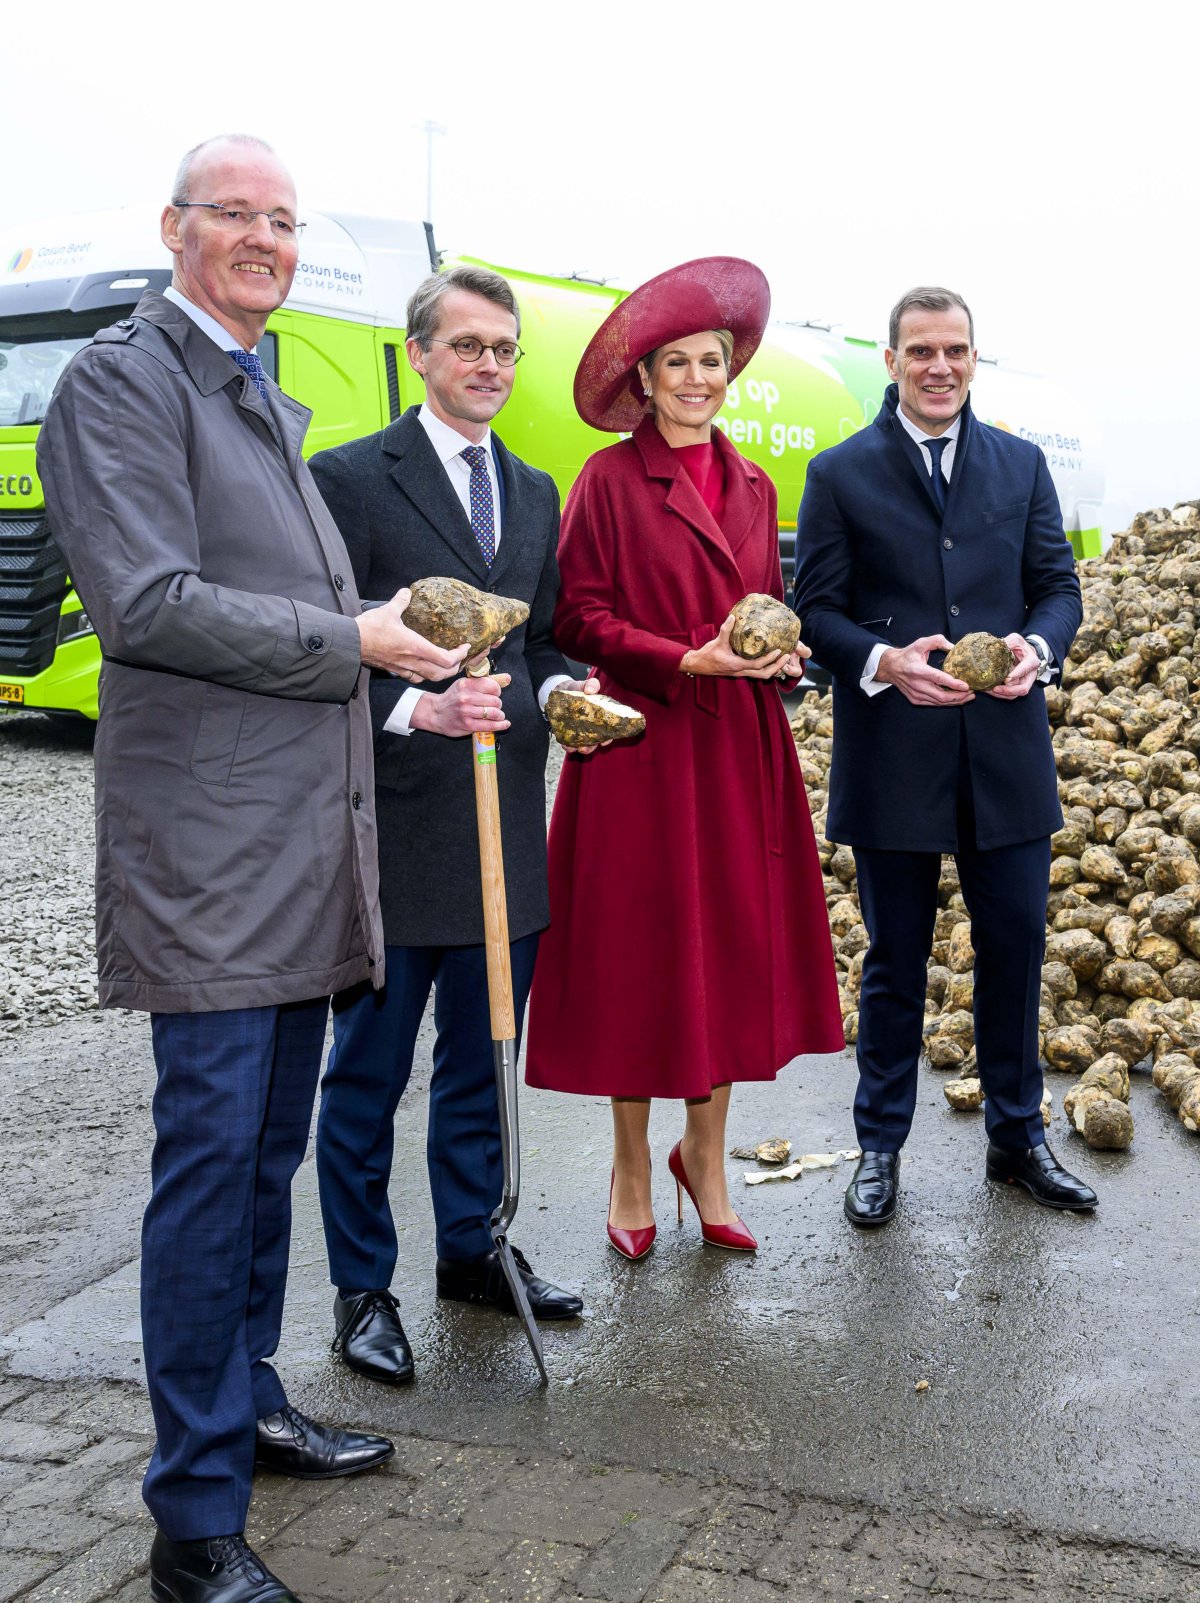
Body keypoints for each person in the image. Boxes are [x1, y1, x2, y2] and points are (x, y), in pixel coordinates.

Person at [36, 135, 468, 1603]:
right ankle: (191, 1520)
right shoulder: (123, 381)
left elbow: (296, 612)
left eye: (286, 221)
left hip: (299, 852)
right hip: (212, 862)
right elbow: (151, 604)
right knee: (211, 1166)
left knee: (264, 1159)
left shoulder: (256, 390)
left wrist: (401, 662)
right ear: (174, 227)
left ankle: (248, 1403)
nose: (269, 240)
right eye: (240, 215)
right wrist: (356, 636)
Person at [524, 257, 844, 1260]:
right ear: (646, 379)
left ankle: (704, 1159)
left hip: (738, 747)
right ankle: (629, 1164)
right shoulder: (609, 479)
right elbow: (577, 614)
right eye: (678, 363)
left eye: (713, 361)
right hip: (640, 746)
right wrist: (679, 657)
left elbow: (762, 613)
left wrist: (781, 658)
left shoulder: (753, 482)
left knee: (732, 951)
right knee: (640, 955)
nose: (698, 378)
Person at [309, 264, 587, 1386]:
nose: (489, 365)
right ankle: (361, 1286)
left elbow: (546, 638)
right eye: (467, 345)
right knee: (367, 1076)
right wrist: (418, 705)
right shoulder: (346, 479)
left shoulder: (532, 489)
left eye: (505, 349)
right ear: (419, 353)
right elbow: (317, 640)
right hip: (394, 825)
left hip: (503, 823)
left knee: (483, 1065)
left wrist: (567, 695)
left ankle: (471, 1252)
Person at [794, 284, 1095, 1228]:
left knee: (1017, 950)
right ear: (890, 361)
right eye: (920, 350)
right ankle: (879, 1147)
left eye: (955, 350)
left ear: (974, 359)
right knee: (894, 961)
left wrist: (1036, 652)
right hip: (895, 757)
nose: (939, 366)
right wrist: (883, 660)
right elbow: (816, 609)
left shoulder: (1020, 464)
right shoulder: (840, 473)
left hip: (1005, 755)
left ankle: (1018, 1138)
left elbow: (1058, 588)